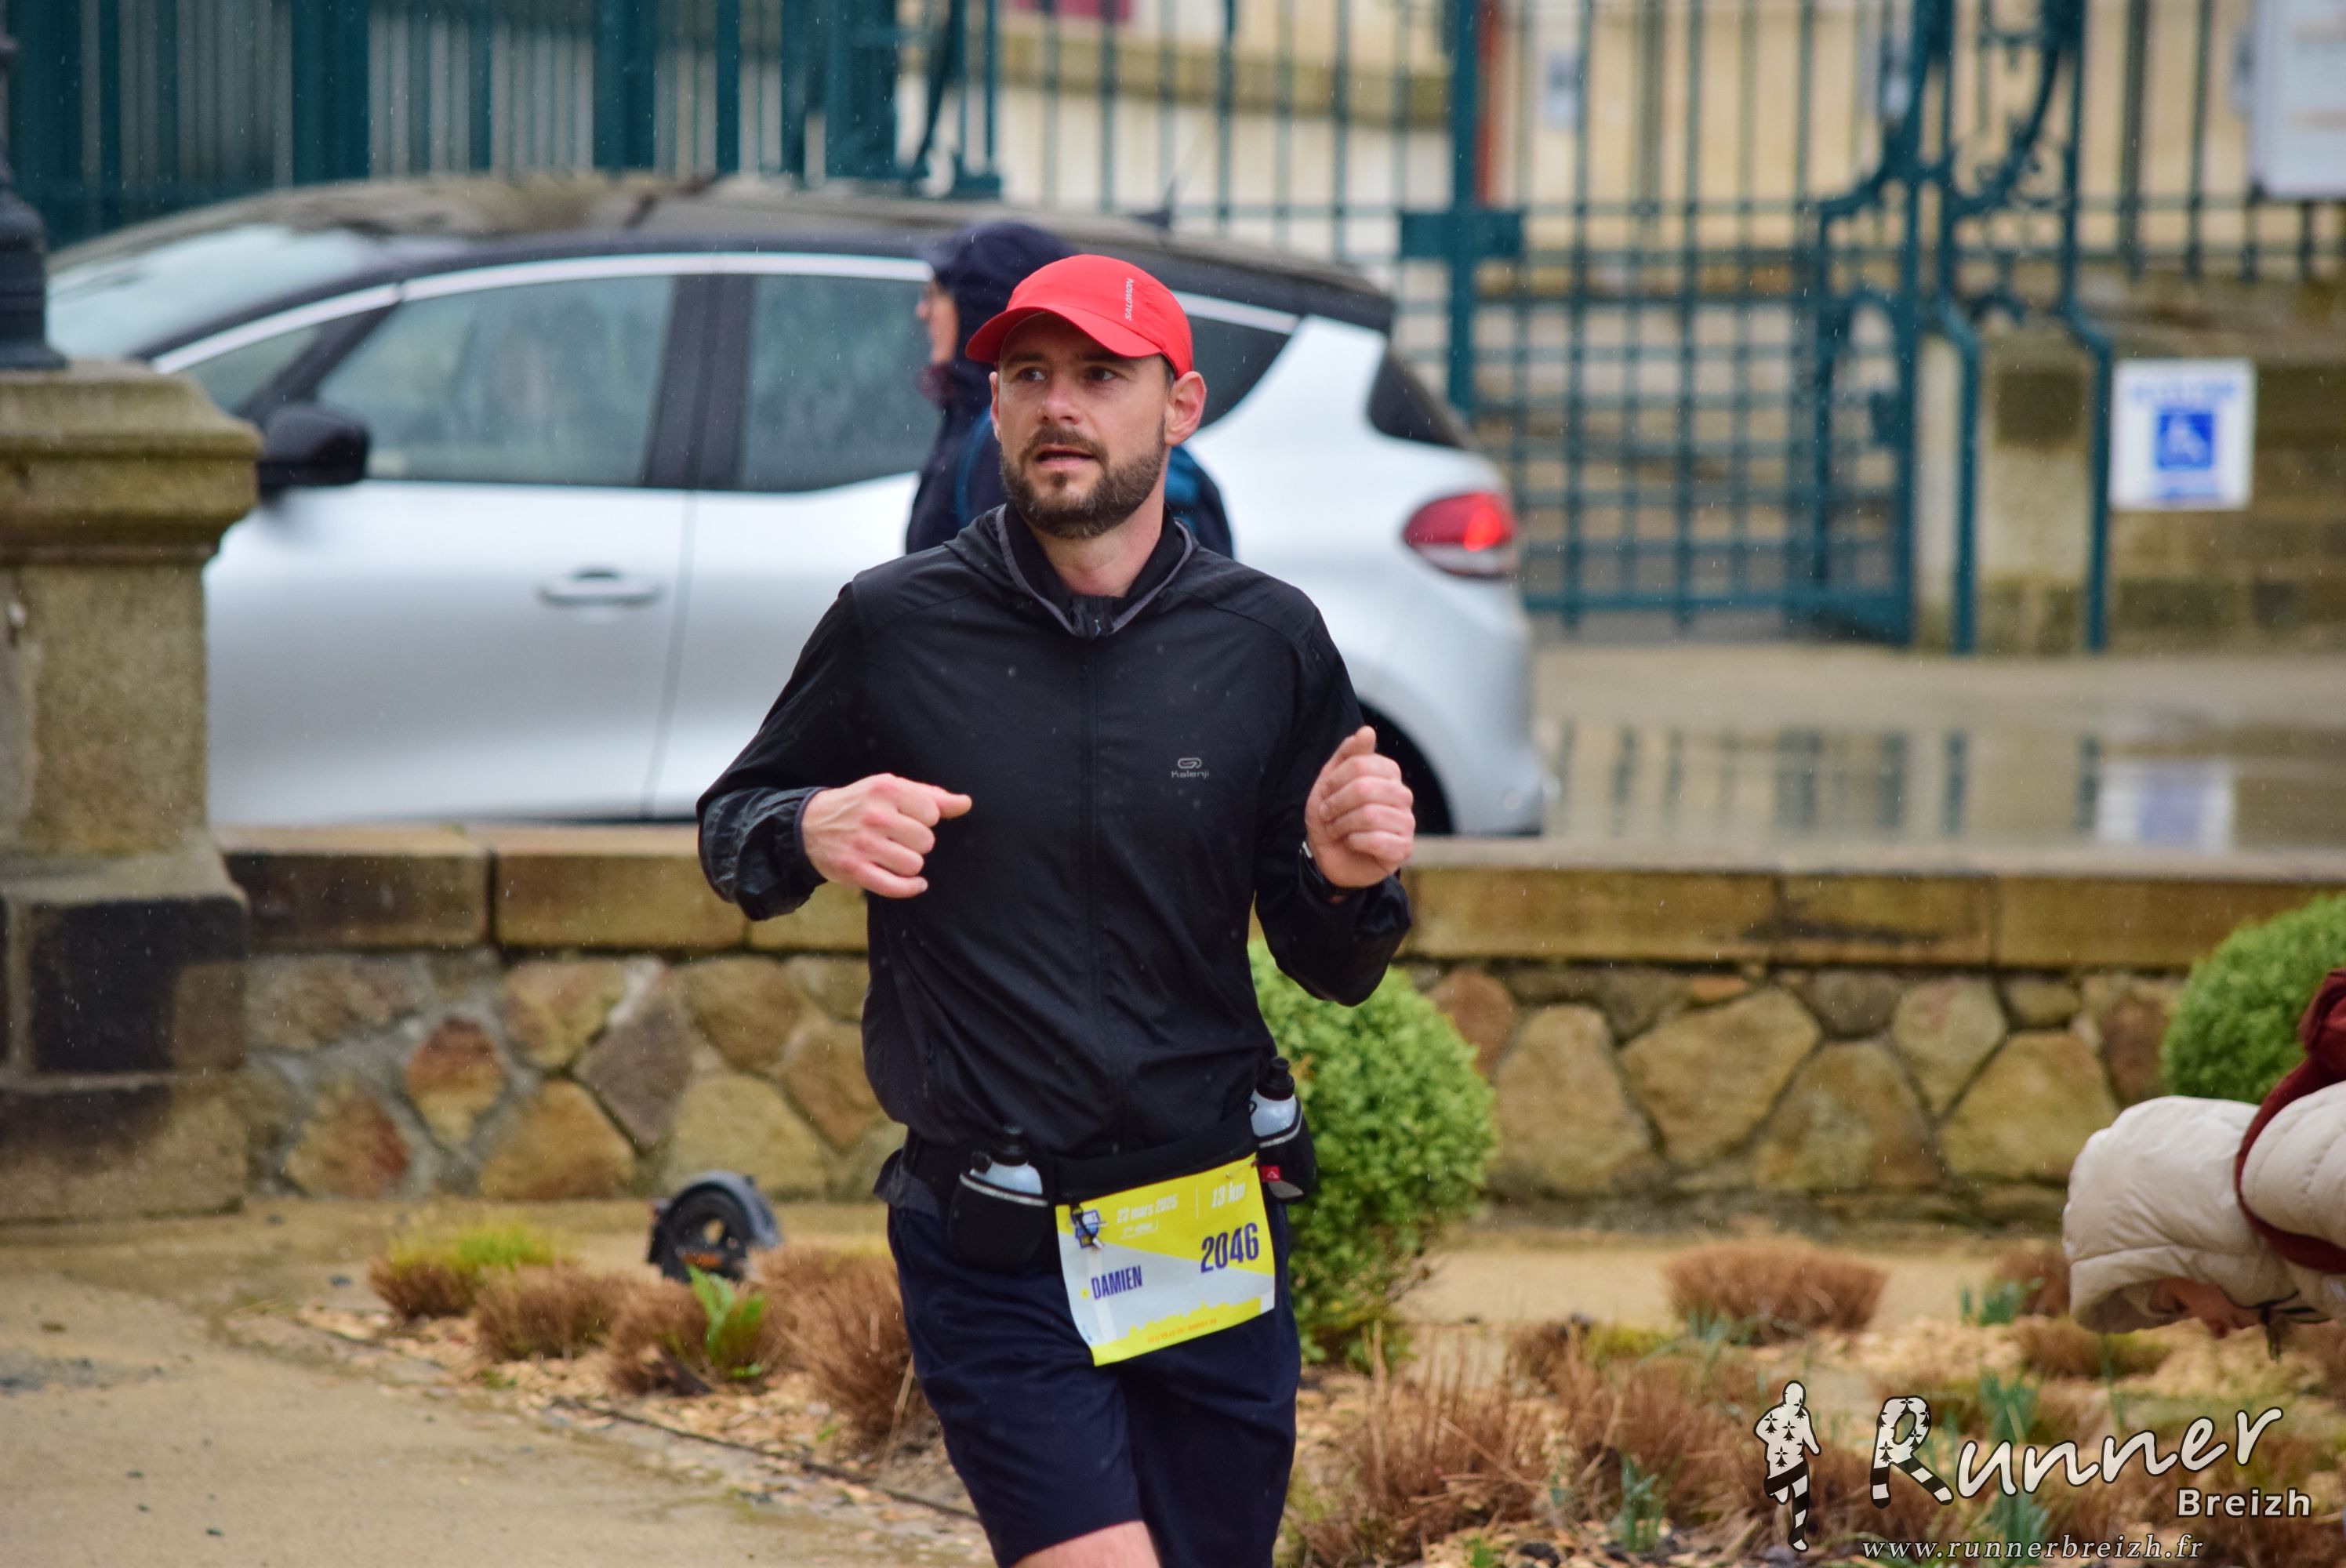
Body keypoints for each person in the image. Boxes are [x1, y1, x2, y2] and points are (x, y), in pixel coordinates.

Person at [697, 252, 1415, 1568]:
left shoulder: (1265, 640)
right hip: (995, 1233)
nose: (1058, 405)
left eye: (1099, 375)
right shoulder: (895, 624)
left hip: (1204, 1221)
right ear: (993, 404)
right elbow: (731, 829)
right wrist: (807, 825)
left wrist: (1343, 879)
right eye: (1028, 374)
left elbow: (1333, 962)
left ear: (1180, 406)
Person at [906, 221, 1235, 559]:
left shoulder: (1018, 445)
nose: (922, 312)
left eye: (1100, 375)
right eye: (1031, 374)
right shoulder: (982, 427)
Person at [2062, 971, 2346, 1344]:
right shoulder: (2303, 1234)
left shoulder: (2282, 1181)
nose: (2209, 1327)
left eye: (2177, 1304)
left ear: (2182, 1245)